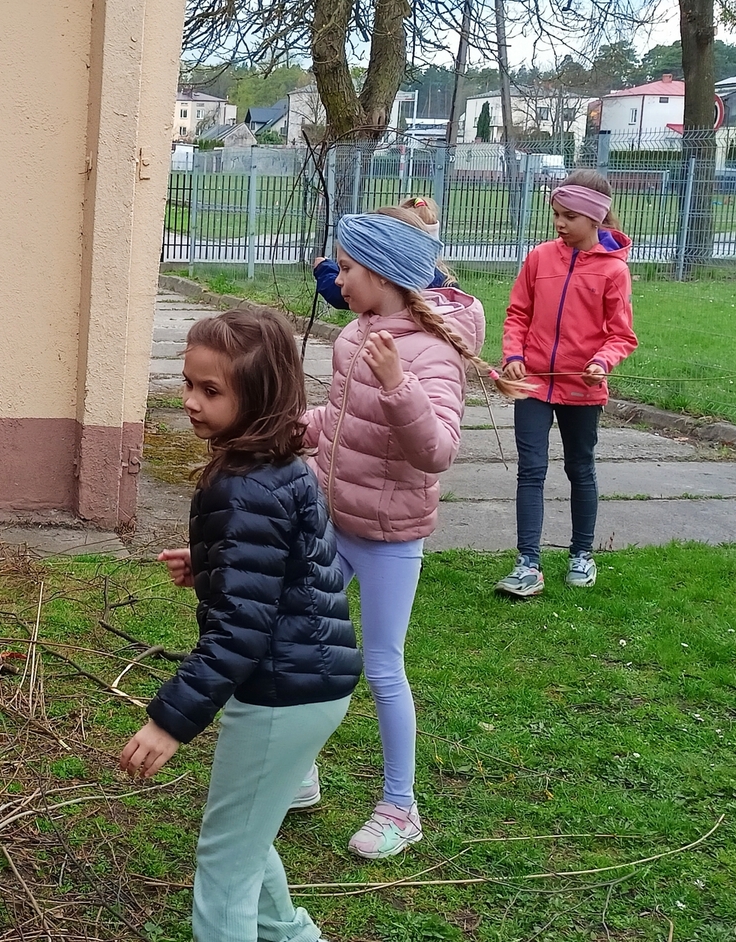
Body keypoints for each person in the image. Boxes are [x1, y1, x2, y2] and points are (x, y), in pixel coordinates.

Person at [118, 308, 359, 942]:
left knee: (226, 859)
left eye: (211, 390)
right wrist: (213, 562)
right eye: (188, 383)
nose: (190, 401)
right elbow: (284, 564)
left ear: (258, 398)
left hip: (283, 688)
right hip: (312, 678)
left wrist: (170, 721)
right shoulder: (276, 467)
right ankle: (291, 935)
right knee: (247, 833)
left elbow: (239, 633)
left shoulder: (245, 486)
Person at [301, 210, 527, 860]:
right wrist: (298, 428)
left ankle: (401, 807)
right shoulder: (357, 334)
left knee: (381, 666)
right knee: (303, 642)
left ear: (383, 276)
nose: (338, 279)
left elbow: (437, 452)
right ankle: (298, 770)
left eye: (348, 269)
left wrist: (398, 385)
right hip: (334, 516)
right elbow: (342, 418)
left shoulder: (431, 354)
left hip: (389, 535)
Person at [495, 170, 637, 598]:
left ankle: (581, 555)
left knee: (580, 468)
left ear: (595, 218)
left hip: (582, 389)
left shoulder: (614, 271)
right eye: (556, 214)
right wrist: (514, 357)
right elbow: (517, 314)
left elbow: (622, 335)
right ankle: (527, 563)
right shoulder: (539, 258)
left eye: (569, 216)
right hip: (534, 384)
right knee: (531, 470)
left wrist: (602, 361)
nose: (559, 223)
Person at [311, 197, 457, 310]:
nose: (339, 280)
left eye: (346, 268)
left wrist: (324, 269)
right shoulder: (448, 285)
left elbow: (340, 294)